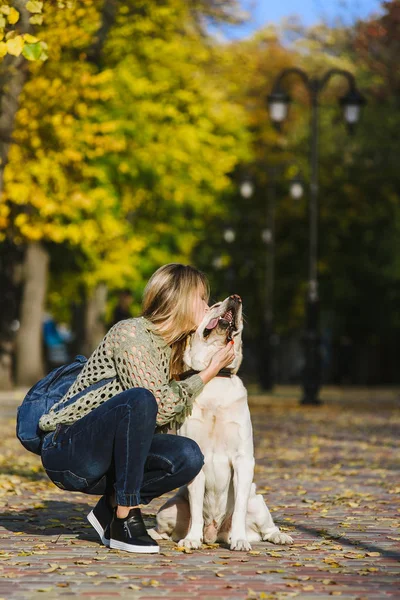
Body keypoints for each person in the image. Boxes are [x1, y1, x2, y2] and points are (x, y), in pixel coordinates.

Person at [38, 264, 235, 554]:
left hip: (109, 457)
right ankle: (125, 518)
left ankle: (110, 506)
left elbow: (164, 420)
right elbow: (158, 407)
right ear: (178, 300)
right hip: (70, 449)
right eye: (201, 298)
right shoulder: (131, 334)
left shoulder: (174, 350)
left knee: (188, 456)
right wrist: (208, 373)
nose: (207, 306)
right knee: (141, 399)